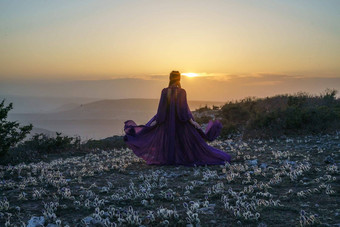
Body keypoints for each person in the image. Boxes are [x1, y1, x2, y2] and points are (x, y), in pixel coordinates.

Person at [123, 71, 231, 166]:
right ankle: (181, 157)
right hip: (181, 124)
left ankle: (171, 158)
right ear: (179, 79)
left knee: (168, 139)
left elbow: (161, 111)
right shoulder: (182, 92)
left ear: (170, 79)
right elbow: (183, 111)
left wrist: (154, 123)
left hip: (167, 124)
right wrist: (192, 122)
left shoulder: (165, 92)